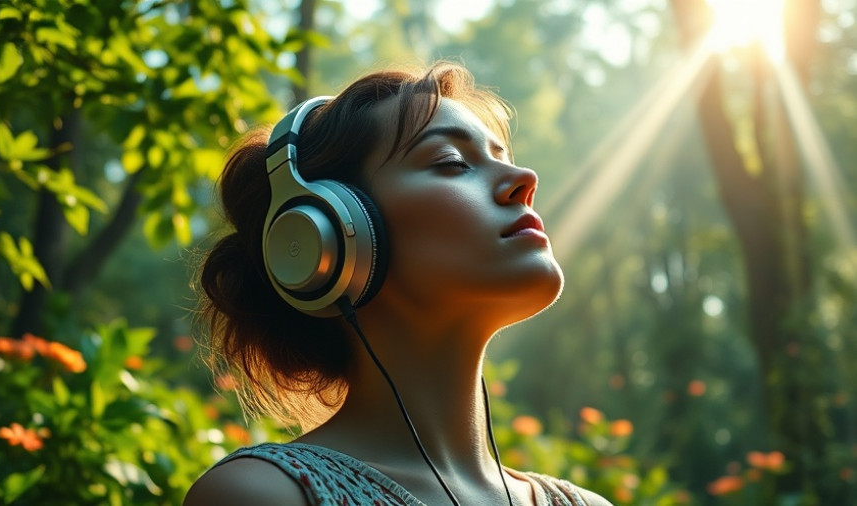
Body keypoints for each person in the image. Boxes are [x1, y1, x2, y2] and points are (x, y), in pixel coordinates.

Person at [184, 61, 612, 506]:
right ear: (327, 234)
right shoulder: (264, 495)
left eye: (503, 157)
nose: (525, 180)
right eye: (453, 162)